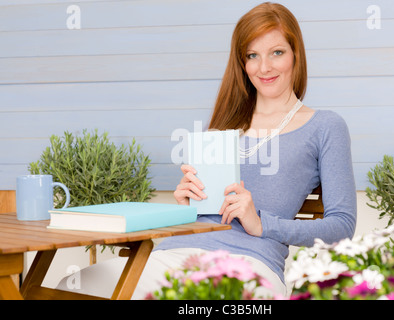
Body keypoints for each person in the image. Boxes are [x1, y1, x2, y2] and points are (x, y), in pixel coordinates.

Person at [57, 2, 356, 299]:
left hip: (248, 265)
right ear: (242, 63)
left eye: (276, 52)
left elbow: (342, 227)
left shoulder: (325, 126)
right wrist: (187, 206)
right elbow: (200, 219)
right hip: (175, 255)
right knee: (74, 286)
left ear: (296, 55)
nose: (264, 67)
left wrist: (262, 224)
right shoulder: (222, 127)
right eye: (252, 56)